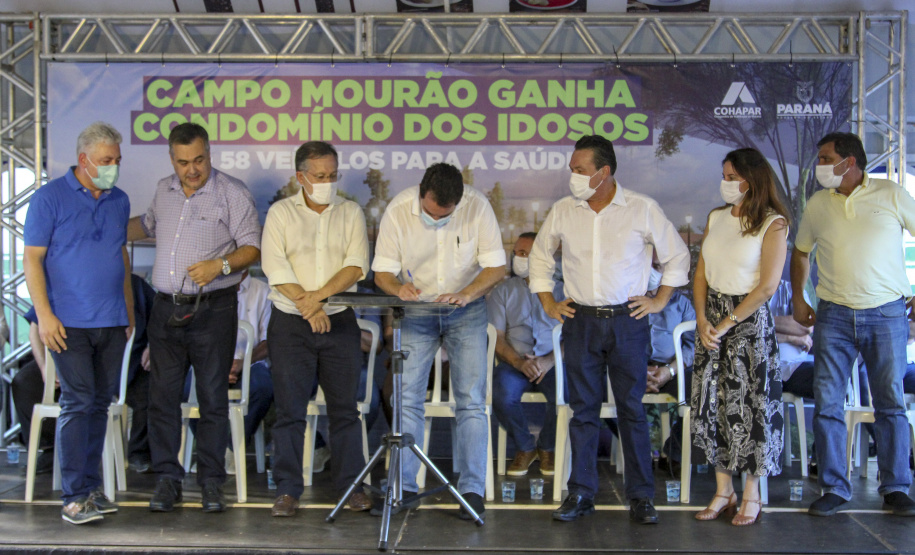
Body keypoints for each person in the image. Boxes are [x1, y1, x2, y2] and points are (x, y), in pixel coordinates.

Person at [529, 135, 689, 524]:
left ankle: (641, 497)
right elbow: (539, 258)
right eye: (572, 169)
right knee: (583, 410)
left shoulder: (641, 208)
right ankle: (581, 493)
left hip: (627, 321)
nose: (573, 176)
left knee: (631, 409)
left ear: (604, 172)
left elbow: (677, 257)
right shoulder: (563, 210)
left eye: (579, 169)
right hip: (580, 320)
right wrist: (548, 303)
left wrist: (659, 300)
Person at [127, 122, 261, 513]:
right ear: (172, 159)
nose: (192, 169)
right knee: (162, 398)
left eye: (199, 160)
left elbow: (252, 248)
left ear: (209, 153)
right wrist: (104, 222)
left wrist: (221, 265)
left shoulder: (232, 192)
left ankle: (211, 483)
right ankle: (167, 480)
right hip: (166, 308)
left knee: (213, 397)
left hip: (213, 309)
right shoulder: (163, 190)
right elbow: (145, 225)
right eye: (184, 162)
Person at [791, 131, 915, 517]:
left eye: (826, 159)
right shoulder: (818, 203)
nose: (820, 166)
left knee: (890, 402)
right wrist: (799, 298)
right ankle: (833, 488)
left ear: (850, 162)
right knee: (828, 402)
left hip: (887, 313)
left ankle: (896, 487)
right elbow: (800, 253)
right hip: (834, 315)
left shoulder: (891, 194)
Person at [373, 162, 505, 519]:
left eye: (445, 216)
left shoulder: (477, 206)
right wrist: (398, 289)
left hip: (467, 310)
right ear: (421, 193)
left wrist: (467, 293)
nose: (437, 220)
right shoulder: (399, 210)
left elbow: (496, 267)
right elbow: (382, 272)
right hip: (417, 310)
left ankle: (472, 491)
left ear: (458, 202)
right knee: (407, 398)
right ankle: (404, 488)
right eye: (431, 214)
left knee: (471, 401)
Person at [23, 121, 134, 524]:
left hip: (112, 320)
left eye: (117, 160)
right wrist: (45, 315)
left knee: (99, 404)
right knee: (78, 401)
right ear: (83, 160)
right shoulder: (48, 198)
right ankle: (73, 497)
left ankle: (90, 489)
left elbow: (120, 254)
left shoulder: (119, 200)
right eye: (106, 160)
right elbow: (32, 259)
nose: (113, 167)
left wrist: (128, 310)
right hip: (67, 322)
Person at [261, 140, 371, 517]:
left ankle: (352, 487)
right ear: (301, 177)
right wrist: (308, 307)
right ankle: (287, 490)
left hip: (338, 320)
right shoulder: (280, 213)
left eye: (332, 175)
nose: (327, 183)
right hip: (290, 323)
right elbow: (275, 268)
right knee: (289, 411)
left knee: (344, 411)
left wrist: (318, 299)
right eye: (320, 176)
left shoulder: (351, 212)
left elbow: (356, 265)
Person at [691, 147, 788, 526]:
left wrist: (728, 322)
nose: (726, 183)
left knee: (751, 406)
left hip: (747, 323)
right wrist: (702, 318)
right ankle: (723, 490)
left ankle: (752, 493)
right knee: (713, 404)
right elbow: (701, 273)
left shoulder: (773, 223)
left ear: (752, 179)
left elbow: (767, 286)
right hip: (712, 319)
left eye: (733, 177)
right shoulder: (716, 217)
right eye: (724, 177)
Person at [488, 232, 564, 477]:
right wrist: (520, 363)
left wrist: (548, 361)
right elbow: (497, 337)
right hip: (514, 363)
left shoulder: (564, 291)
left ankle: (547, 447)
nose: (520, 258)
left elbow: (574, 337)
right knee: (501, 394)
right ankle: (525, 446)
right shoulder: (502, 292)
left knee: (566, 394)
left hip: (553, 362)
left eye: (527, 254)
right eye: (517, 253)